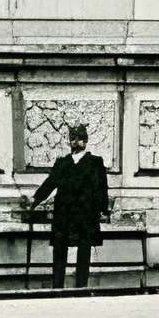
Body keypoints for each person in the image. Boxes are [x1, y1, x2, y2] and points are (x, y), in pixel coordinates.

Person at [29, 123, 113, 289]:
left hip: (85, 215)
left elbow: (102, 188)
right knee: (59, 251)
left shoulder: (95, 162)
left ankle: (81, 286)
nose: (75, 142)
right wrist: (35, 200)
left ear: (85, 141)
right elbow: (50, 183)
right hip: (64, 214)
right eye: (72, 138)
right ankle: (57, 286)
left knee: (84, 252)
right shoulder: (62, 163)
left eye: (79, 139)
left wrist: (103, 209)